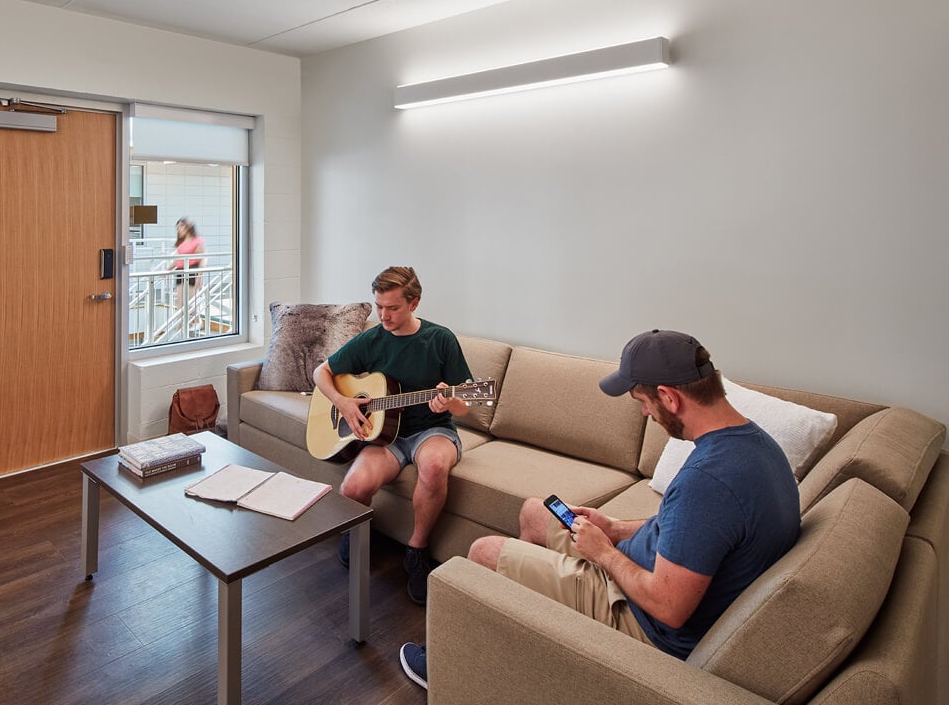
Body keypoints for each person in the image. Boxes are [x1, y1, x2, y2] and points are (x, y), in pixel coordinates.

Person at [399, 329, 801, 690]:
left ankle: (446, 667)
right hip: (642, 566)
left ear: (669, 397)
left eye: (643, 403)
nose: (645, 413)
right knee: (536, 511)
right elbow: (697, 530)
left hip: (643, 618)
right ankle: (525, 633)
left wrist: (602, 552)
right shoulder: (759, 447)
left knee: (483, 553)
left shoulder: (707, 481)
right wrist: (615, 528)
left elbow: (670, 608)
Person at [313, 266, 473, 605]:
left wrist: (450, 401)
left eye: (392, 308)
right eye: (379, 306)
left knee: (432, 467)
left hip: (433, 431)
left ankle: (417, 551)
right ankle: (356, 535)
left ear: (414, 304)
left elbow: (467, 407)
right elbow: (321, 372)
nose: (383, 315)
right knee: (353, 487)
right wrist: (343, 402)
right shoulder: (372, 338)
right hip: (387, 437)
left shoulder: (440, 339)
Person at [171, 217, 205, 329]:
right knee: (179, 301)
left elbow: (202, 260)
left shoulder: (197, 240)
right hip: (180, 271)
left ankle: (197, 322)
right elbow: (177, 259)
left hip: (192, 270)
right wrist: (167, 270)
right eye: (178, 227)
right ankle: (180, 325)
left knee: (191, 300)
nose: (179, 229)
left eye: (181, 226)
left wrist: (199, 278)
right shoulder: (182, 241)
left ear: (188, 226)